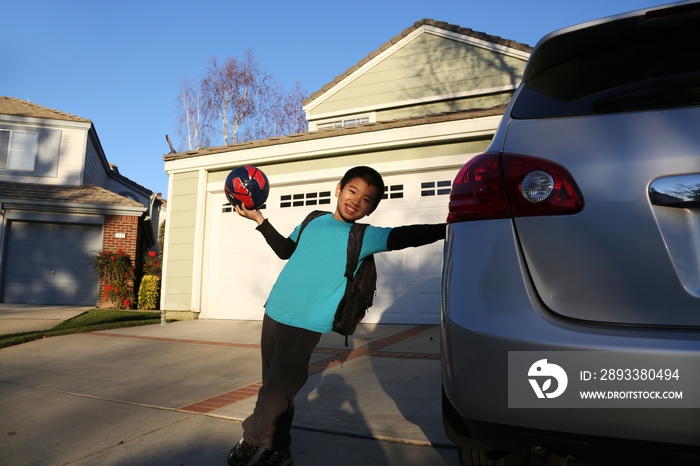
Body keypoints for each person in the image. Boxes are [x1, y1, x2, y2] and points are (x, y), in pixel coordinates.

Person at [228, 166, 445, 466]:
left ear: (371, 209)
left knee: (277, 391)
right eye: (352, 191)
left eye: (367, 199)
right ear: (339, 188)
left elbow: (406, 235)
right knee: (275, 390)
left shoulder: (363, 235)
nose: (356, 200)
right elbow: (285, 250)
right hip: (274, 312)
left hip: (305, 324)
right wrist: (260, 220)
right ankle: (280, 450)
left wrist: (450, 227)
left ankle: (252, 439)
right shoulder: (313, 219)